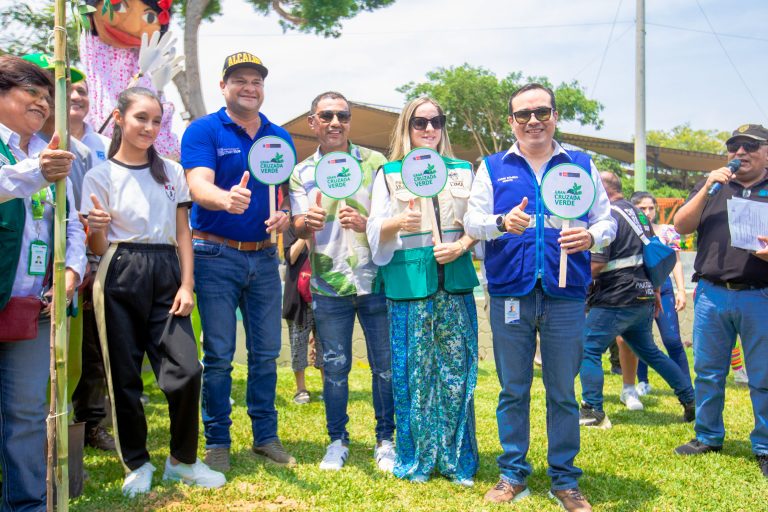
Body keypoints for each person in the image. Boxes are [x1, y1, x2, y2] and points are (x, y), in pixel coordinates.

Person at [464, 83, 615, 511]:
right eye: (524, 114)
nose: (534, 120)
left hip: (565, 295)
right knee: (513, 388)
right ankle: (513, 474)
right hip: (510, 292)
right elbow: (472, 221)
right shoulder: (492, 167)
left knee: (563, 391)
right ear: (511, 121)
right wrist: (499, 221)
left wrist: (591, 235)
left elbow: (607, 222)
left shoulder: (581, 165)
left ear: (554, 115)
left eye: (541, 112)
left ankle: (565, 479)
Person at [81, 87, 225, 496]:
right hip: (119, 268)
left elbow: (184, 231)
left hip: (167, 270)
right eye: (141, 117)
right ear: (120, 118)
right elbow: (97, 246)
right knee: (124, 374)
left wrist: (187, 283)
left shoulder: (173, 172)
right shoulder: (99, 175)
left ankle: (181, 461)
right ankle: (137, 462)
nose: (149, 126)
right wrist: (96, 226)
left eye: (156, 120)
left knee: (186, 370)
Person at [182, 52, 293, 473]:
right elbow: (197, 185)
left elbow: (281, 194)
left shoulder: (278, 134)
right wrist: (224, 199)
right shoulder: (204, 130)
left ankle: (265, 437)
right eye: (240, 80)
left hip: (265, 258)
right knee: (220, 354)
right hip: (214, 254)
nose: (250, 87)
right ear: (223, 86)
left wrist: (283, 213)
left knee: (266, 353)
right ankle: (218, 441)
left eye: (256, 81)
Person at [368, 96, 480, 484]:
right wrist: (398, 221)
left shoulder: (464, 170)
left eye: (436, 121)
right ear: (406, 126)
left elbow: (479, 226)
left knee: (455, 373)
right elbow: (374, 233)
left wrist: (463, 245)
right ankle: (417, 455)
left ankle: (455, 457)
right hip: (407, 285)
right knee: (413, 373)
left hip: (456, 281)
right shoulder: (389, 173)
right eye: (420, 122)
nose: (429, 128)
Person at [290, 91, 395, 472]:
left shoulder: (377, 163)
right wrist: (306, 223)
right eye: (326, 116)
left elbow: (391, 216)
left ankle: (387, 440)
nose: (335, 122)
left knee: (385, 365)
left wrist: (367, 224)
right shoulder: (301, 172)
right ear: (312, 122)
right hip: (328, 283)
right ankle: (337, 441)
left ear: (349, 121)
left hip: (376, 280)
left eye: (342, 116)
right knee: (334, 367)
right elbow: (296, 224)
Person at [0, 55, 87, 511]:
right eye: (30, 91)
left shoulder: (46, 152)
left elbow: (71, 224)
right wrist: (37, 172)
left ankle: (26, 504)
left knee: (29, 414)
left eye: (46, 96)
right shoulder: (35, 161)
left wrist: (71, 273)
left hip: (32, 308)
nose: (41, 102)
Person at [673, 124, 768, 479]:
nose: (740, 153)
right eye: (734, 147)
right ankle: (707, 436)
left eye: (750, 146)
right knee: (709, 373)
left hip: (760, 295)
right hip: (712, 294)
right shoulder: (713, 184)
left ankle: (765, 445)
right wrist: (707, 189)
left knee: (763, 376)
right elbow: (681, 226)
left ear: (767, 152)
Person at [577, 172, 695, 428]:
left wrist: (573, 280)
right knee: (651, 352)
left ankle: (592, 411)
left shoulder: (607, 214)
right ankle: (690, 398)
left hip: (615, 296)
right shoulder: (637, 212)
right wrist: (653, 291)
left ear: (602, 189)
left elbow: (598, 265)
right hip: (643, 294)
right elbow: (651, 253)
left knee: (588, 348)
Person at [629, 191, 692, 399]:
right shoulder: (630, 231)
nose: (647, 212)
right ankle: (642, 382)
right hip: (638, 289)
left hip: (664, 288)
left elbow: (676, 262)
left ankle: (686, 384)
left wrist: (681, 290)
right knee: (642, 340)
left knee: (673, 340)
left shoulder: (668, 231)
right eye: (642, 208)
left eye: (651, 208)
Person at [281, 223, 323, 404]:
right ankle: (300, 388)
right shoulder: (290, 226)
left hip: (323, 294)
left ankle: (327, 386)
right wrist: (305, 235)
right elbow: (290, 257)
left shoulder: (324, 223)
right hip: (298, 298)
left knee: (324, 344)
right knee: (298, 343)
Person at [70, 79, 110, 163]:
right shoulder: (38, 142)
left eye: (81, 91)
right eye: (67, 90)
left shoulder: (108, 146)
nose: (76, 97)